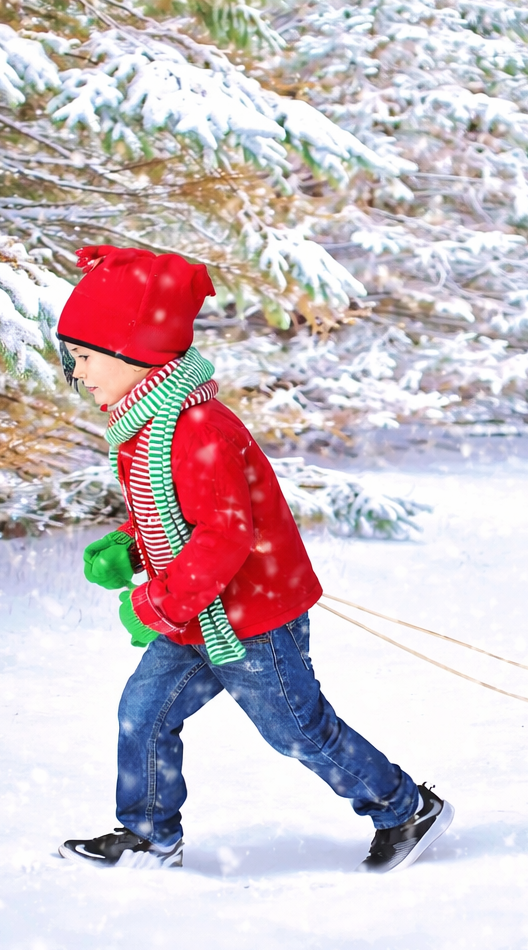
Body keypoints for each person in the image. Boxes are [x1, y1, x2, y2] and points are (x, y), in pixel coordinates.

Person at [52, 245, 451, 873]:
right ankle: (150, 836)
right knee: (144, 713)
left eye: (84, 359)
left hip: (250, 620)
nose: (79, 375)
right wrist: (132, 547)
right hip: (200, 613)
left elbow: (224, 537)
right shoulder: (150, 422)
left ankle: (404, 808)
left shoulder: (197, 428)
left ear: (134, 352)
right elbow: (175, 514)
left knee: (297, 729)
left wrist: (157, 600)